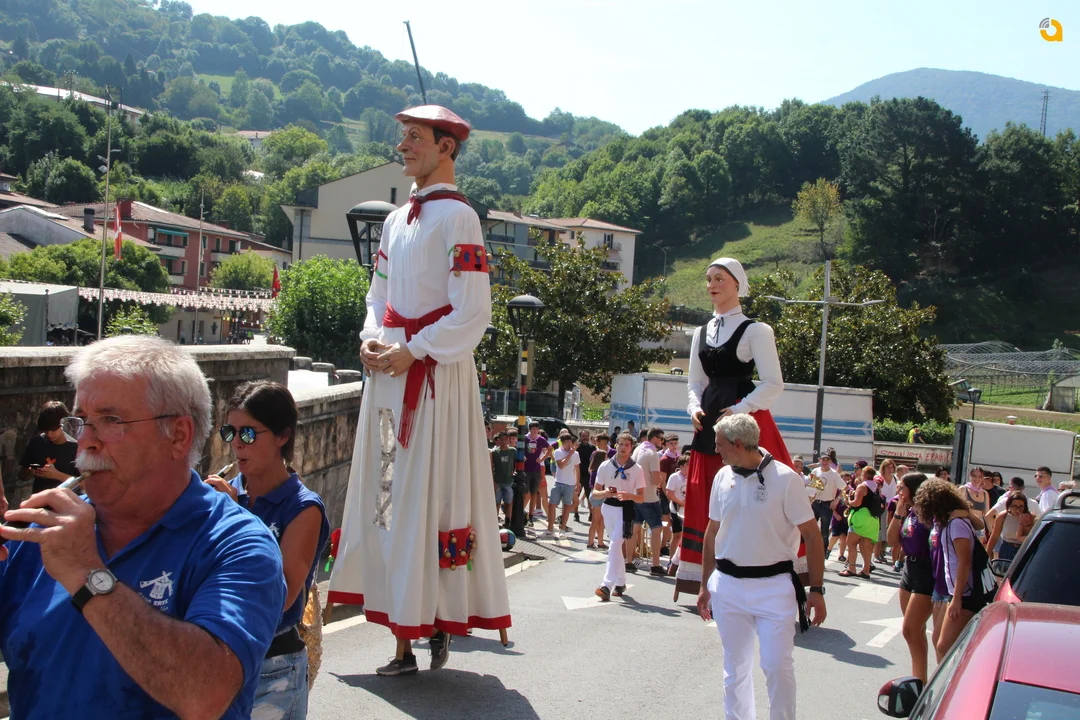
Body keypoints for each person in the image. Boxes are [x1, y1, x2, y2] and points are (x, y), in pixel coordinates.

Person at [0, 336, 285, 718]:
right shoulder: (38, 534)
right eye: (81, 422)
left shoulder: (238, 546)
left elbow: (204, 695)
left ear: (178, 435)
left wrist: (87, 573)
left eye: (110, 421)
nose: (86, 442)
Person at [327, 105, 511, 675]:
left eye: (413, 137)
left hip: (434, 376)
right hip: (390, 373)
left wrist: (416, 348)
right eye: (401, 136)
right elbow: (378, 293)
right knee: (386, 493)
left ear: (445, 147)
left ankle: (430, 619)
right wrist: (371, 336)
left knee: (430, 493)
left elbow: (472, 311)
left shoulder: (460, 219)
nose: (402, 146)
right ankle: (401, 630)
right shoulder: (395, 221)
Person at [205, 381, 330, 719]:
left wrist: (235, 518)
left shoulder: (302, 508)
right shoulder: (227, 495)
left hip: (273, 667)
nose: (236, 444)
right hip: (217, 657)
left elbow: (281, 596)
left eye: (248, 434)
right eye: (230, 433)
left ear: (282, 436)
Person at [697, 414, 825, 720]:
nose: (716, 450)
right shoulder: (722, 476)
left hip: (774, 586)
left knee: (777, 665)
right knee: (735, 667)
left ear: (738, 444)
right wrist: (704, 585)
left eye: (720, 444)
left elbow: (812, 535)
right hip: (727, 584)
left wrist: (817, 590)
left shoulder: (786, 479)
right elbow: (712, 531)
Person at [681, 257, 791, 597]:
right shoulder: (700, 332)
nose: (712, 285)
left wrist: (740, 409)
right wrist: (693, 407)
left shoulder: (757, 330)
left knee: (756, 496)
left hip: (746, 422)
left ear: (738, 284)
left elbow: (773, 383)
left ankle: (761, 570)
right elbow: (695, 382)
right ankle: (708, 579)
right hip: (709, 424)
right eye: (709, 278)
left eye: (720, 279)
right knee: (708, 498)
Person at [914, 478, 989, 660]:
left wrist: (956, 598)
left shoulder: (956, 524)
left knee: (944, 646)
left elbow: (965, 562)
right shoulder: (950, 521)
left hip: (965, 593)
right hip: (956, 591)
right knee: (941, 642)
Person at [887, 472, 936, 683]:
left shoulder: (929, 514)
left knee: (910, 630)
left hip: (926, 571)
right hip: (909, 569)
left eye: (902, 488)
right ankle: (918, 678)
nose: (898, 491)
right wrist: (898, 514)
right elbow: (891, 541)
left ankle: (920, 682)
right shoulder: (908, 512)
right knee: (915, 631)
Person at [593, 433, 646, 601]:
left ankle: (606, 585)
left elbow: (641, 497)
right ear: (616, 445)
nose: (623, 448)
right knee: (615, 547)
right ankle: (621, 581)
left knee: (614, 544)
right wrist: (605, 492)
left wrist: (629, 495)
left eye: (627, 445)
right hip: (608, 508)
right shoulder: (605, 465)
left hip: (626, 510)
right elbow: (595, 492)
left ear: (631, 448)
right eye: (621, 444)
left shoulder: (636, 469)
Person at [19, 400, 79, 494]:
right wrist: (30, 471)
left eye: (53, 429)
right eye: (46, 430)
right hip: (40, 499)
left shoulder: (76, 447)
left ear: (64, 424)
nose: (49, 434)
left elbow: (84, 483)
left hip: (67, 499)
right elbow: (22, 476)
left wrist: (56, 475)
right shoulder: (37, 442)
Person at [631, 427, 666, 576]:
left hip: (635, 495)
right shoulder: (653, 454)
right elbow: (656, 479)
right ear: (654, 438)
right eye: (661, 439)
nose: (662, 442)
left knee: (634, 530)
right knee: (656, 531)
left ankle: (629, 561)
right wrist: (661, 481)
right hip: (649, 497)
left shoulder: (637, 449)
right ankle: (655, 565)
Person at [839, 465, 881, 578]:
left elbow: (857, 503)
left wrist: (849, 500)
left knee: (851, 543)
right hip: (873, 519)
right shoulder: (876, 487)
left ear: (864, 474)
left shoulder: (862, 486)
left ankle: (851, 568)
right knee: (866, 546)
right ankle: (866, 570)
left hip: (860, 518)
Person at [546, 431, 579, 537]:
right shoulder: (558, 452)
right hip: (559, 482)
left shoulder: (576, 454)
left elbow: (577, 468)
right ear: (562, 443)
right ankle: (550, 528)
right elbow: (561, 465)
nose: (569, 444)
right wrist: (569, 455)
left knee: (566, 506)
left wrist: (577, 482)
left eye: (570, 442)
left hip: (570, 484)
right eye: (566, 442)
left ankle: (563, 529)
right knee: (552, 505)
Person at [985, 491, 1036, 561]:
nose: (1018, 509)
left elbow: (1031, 536)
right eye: (1014, 506)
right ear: (1009, 506)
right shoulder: (1003, 516)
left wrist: (1025, 523)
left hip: (1023, 549)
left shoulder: (1031, 517)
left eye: (1021, 506)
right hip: (1007, 549)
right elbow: (994, 537)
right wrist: (985, 556)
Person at [808, 451, 843, 550]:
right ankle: (809, 551)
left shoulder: (834, 474)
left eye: (827, 460)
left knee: (824, 532)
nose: (825, 462)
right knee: (810, 529)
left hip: (827, 505)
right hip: (815, 503)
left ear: (830, 461)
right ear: (819, 460)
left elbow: (844, 488)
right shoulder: (815, 471)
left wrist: (836, 500)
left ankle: (822, 555)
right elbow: (810, 488)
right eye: (823, 459)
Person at [587, 432, 613, 549]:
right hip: (597, 497)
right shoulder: (596, 472)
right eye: (606, 457)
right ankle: (590, 542)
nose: (607, 458)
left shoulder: (596, 470)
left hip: (599, 496)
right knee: (596, 520)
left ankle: (600, 542)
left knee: (601, 520)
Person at [665, 453, 690, 575]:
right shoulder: (674, 477)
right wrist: (680, 502)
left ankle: (683, 562)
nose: (690, 467)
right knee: (677, 535)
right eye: (688, 464)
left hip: (688, 510)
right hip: (676, 509)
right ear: (681, 466)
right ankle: (672, 561)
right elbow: (669, 493)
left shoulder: (692, 477)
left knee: (686, 535)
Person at [658, 433, 682, 559]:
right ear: (666, 444)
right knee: (666, 521)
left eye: (675, 443)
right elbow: (662, 481)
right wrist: (668, 496)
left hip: (677, 494)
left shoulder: (679, 457)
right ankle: (662, 545)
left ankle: (667, 544)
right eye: (671, 443)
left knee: (674, 522)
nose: (674, 446)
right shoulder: (665, 459)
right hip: (665, 494)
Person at [523, 422, 551, 520]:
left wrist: (542, 458)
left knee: (534, 493)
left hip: (536, 469)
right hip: (525, 469)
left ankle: (531, 515)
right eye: (532, 428)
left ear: (538, 430)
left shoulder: (541, 439)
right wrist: (522, 456)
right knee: (525, 493)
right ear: (529, 429)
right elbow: (518, 448)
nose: (534, 430)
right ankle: (520, 513)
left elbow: (550, 449)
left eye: (536, 429)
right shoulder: (525, 438)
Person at [875, 459, 899, 564]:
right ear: (883, 468)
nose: (890, 469)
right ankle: (876, 554)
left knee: (888, 531)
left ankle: (882, 552)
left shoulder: (895, 478)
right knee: (880, 532)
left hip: (892, 507)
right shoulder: (878, 478)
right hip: (882, 507)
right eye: (888, 467)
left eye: (891, 467)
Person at [491, 431, 516, 525]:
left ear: (508, 440)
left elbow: (519, 462)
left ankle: (508, 519)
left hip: (508, 480)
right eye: (501, 440)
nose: (504, 441)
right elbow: (492, 466)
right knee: (497, 501)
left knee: (508, 501)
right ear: (499, 440)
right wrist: (493, 481)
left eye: (505, 439)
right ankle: (495, 520)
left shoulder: (513, 451)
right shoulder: (495, 452)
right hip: (498, 481)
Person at [574, 429, 596, 523]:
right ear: (580, 437)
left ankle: (591, 514)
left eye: (587, 436)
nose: (585, 438)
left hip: (588, 476)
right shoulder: (577, 447)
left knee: (589, 496)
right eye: (583, 436)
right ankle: (576, 514)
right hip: (578, 475)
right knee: (576, 495)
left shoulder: (593, 448)